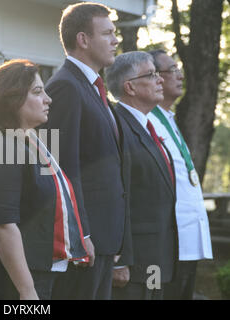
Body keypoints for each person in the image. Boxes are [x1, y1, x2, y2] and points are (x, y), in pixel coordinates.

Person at [0, 59, 89, 300]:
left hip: (32, 273)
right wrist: (27, 290)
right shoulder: (3, 146)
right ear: (12, 99)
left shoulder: (26, 142)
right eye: (37, 92)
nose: (48, 99)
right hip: (6, 281)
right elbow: (2, 225)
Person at [44, 2, 130, 300]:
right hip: (85, 241)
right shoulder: (65, 87)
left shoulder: (92, 85)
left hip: (105, 238)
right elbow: (61, 167)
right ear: (83, 39)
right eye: (107, 33)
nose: (115, 40)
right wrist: (82, 235)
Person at [105, 51, 177, 300]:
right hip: (133, 265)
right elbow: (115, 195)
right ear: (130, 87)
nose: (160, 80)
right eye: (152, 74)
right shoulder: (116, 125)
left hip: (156, 258)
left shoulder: (147, 126)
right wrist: (119, 259)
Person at [147, 49, 213, 300]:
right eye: (172, 69)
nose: (180, 75)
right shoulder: (147, 121)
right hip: (166, 243)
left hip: (187, 239)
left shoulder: (168, 119)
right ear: (156, 77)